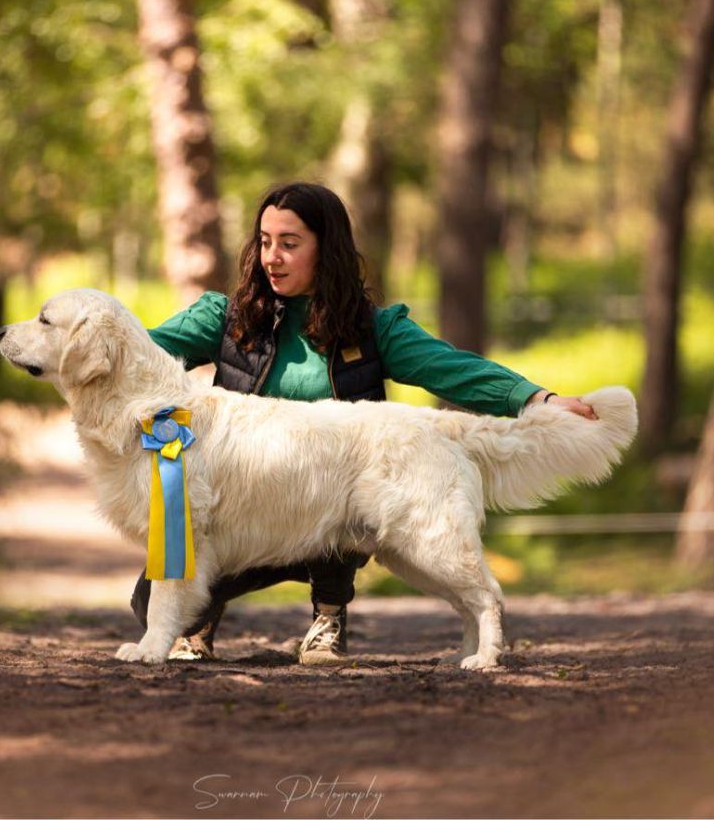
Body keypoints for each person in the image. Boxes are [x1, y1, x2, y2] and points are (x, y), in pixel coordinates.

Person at [131, 181, 596, 666]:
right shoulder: (225, 319)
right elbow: (139, 354)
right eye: (265, 242)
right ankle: (195, 625)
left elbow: (452, 368)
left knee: (329, 480)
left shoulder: (372, 329)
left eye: (290, 244)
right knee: (151, 602)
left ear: (326, 250)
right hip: (245, 507)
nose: (273, 257)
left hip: (334, 503)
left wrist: (536, 397)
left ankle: (328, 618)